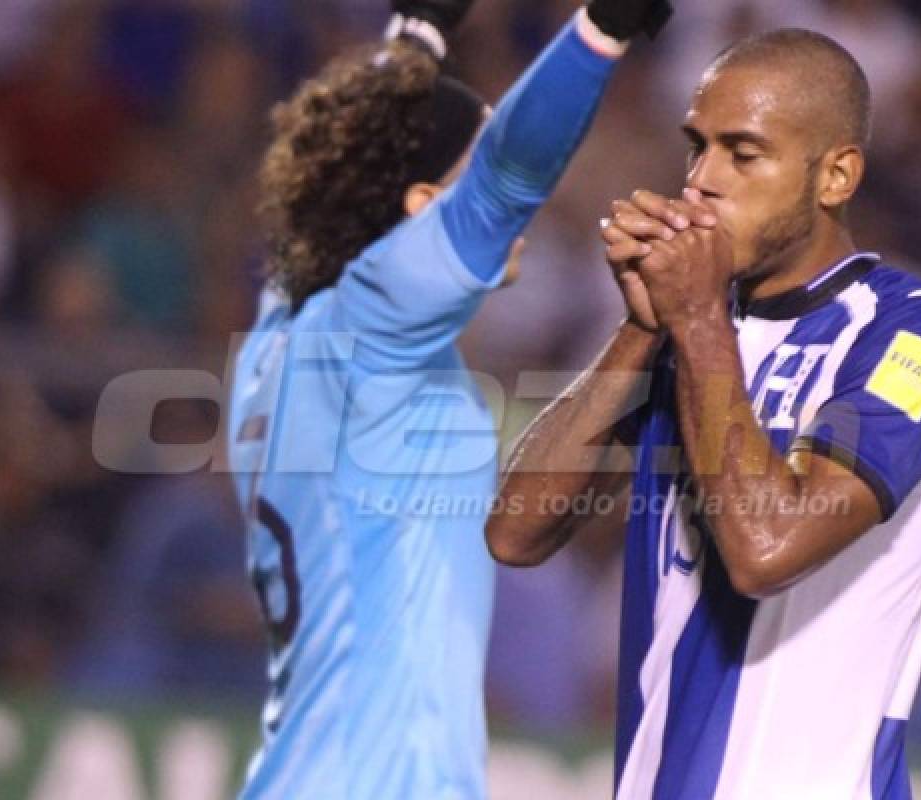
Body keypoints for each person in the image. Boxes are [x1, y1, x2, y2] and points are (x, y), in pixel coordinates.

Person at [487, 28, 921, 799]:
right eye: (697, 147)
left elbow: (766, 550)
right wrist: (642, 329)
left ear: (836, 176)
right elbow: (515, 531)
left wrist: (693, 322)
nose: (701, 181)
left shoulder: (915, 332)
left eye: (743, 154)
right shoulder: (685, 328)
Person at [225, 0, 672, 796]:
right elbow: (509, 177)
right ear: (420, 209)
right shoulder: (376, 315)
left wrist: (416, 38)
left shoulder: (279, 328)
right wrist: (603, 30)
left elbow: (356, 153)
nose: (502, 226)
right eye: (461, 179)